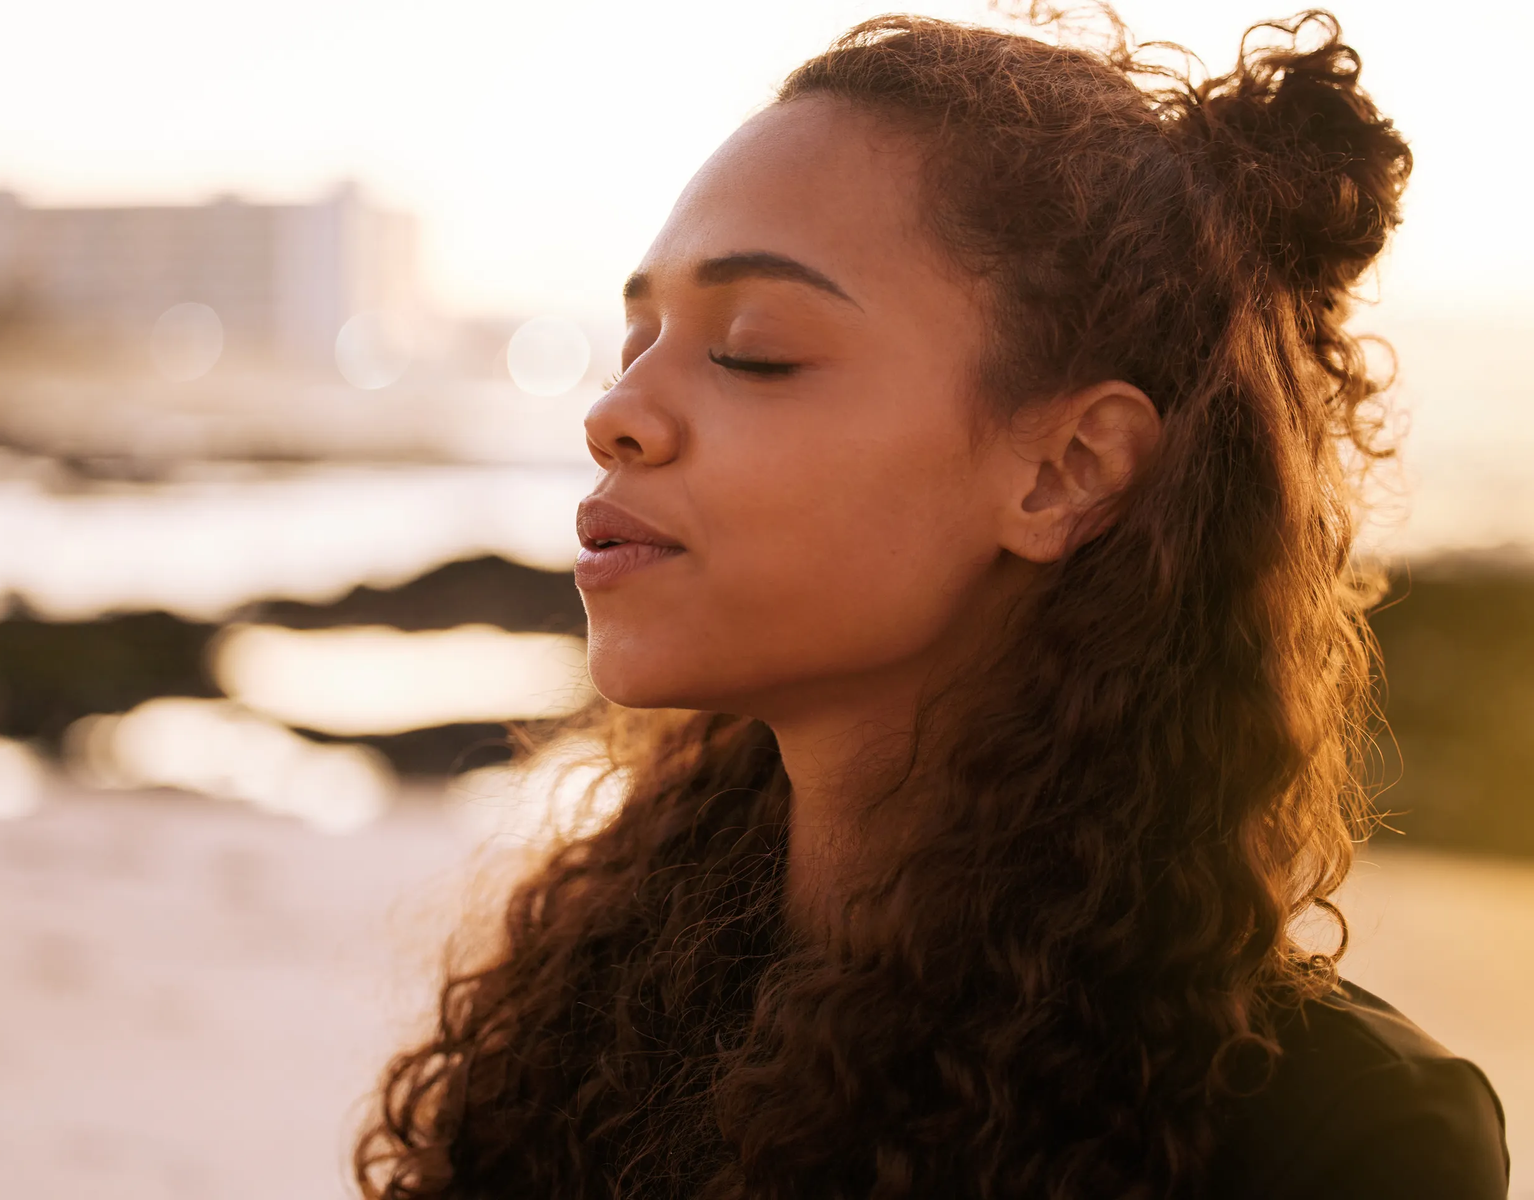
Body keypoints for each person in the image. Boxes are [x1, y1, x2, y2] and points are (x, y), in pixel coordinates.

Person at [356, 9, 1510, 1198]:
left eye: (753, 348)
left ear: (1067, 471)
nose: (613, 414)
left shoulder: (1341, 1143)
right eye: (636, 340)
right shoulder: (600, 1003)